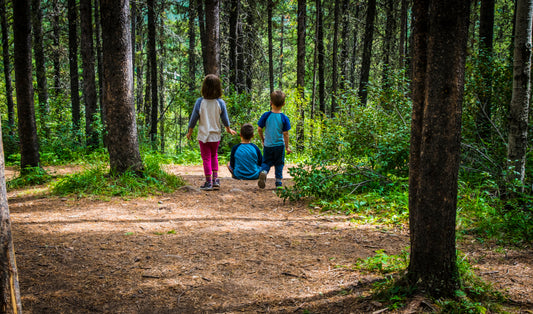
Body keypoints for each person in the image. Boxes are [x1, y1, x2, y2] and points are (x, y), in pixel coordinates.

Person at [186, 74, 237, 191]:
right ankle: (216, 180)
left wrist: (190, 132)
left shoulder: (200, 102)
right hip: (215, 135)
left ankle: (208, 182)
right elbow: (225, 119)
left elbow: (193, 119)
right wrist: (228, 129)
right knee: (214, 156)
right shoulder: (220, 103)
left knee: (206, 158)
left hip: (203, 135)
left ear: (204, 87)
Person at [257, 90, 291, 189]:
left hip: (268, 145)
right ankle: (278, 183)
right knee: (279, 163)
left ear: (271, 102)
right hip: (279, 145)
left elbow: (259, 128)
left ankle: (263, 172)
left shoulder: (266, 115)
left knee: (266, 162)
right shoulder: (284, 118)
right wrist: (287, 147)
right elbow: (286, 133)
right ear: (284, 104)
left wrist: (263, 139)